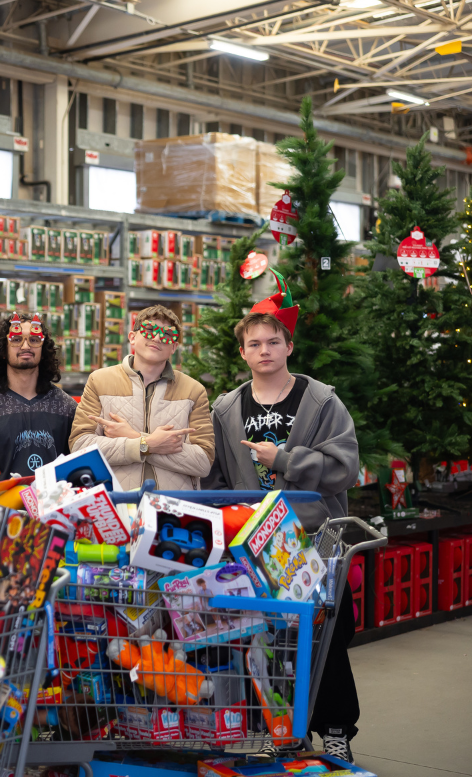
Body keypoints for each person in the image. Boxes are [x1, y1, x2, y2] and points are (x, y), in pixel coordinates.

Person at [204, 275, 360, 761]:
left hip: (314, 537)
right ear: (244, 354)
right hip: (252, 542)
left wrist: (285, 461)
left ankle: (334, 726)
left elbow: (344, 468)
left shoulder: (320, 401)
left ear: (289, 346)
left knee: (326, 634)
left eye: (274, 341)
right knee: (268, 638)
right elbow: (214, 480)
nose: (264, 349)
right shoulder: (226, 408)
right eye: (255, 343)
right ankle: (288, 729)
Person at [68, 305, 213, 490]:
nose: (159, 337)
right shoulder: (99, 381)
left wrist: (133, 437)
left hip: (174, 506)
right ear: (132, 337)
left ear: (174, 347)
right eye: (150, 330)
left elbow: (203, 462)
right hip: (118, 502)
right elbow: (80, 446)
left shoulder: (194, 390)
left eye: (168, 335)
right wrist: (148, 444)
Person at [0, 313, 78, 477]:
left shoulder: (66, 408)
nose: (26, 346)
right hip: (1, 503)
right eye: (16, 340)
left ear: (43, 348)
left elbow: (79, 471)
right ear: (2, 349)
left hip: (53, 502)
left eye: (34, 340)